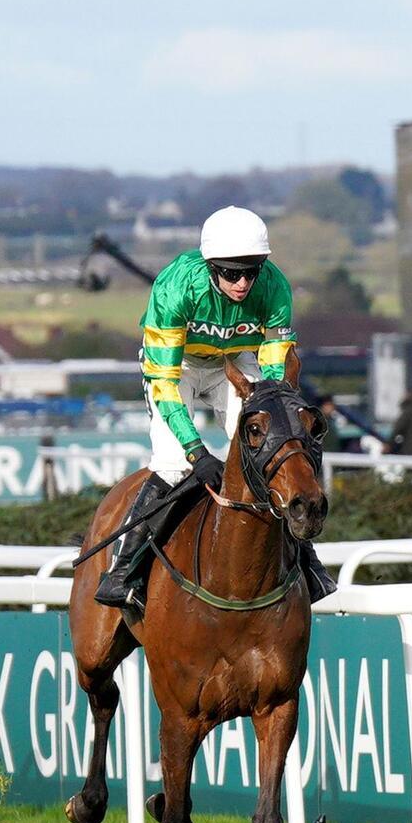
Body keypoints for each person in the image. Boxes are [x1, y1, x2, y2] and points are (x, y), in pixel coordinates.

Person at [95, 206, 336, 609]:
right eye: (230, 273)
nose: (243, 283)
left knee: (272, 448)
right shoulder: (175, 287)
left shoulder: (275, 286)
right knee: (174, 465)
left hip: (235, 362)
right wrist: (196, 451)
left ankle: (306, 559)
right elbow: (165, 382)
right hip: (179, 369)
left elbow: (275, 367)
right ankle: (122, 571)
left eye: (251, 273)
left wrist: (275, 408)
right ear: (211, 267)